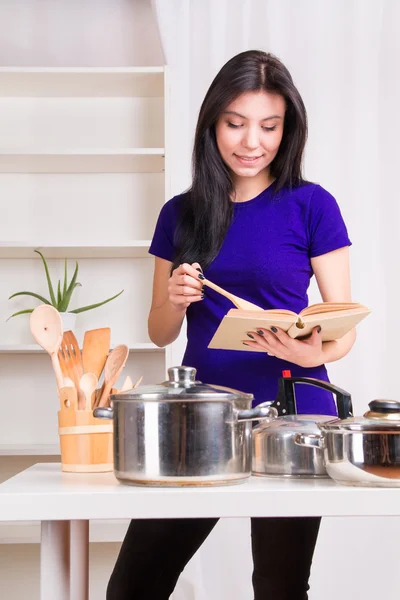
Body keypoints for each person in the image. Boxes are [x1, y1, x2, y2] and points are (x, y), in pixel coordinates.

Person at [107, 50, 355, 600]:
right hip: (205, 420)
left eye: (268, 126)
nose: (251, 142)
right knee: (134, 585)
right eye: (235, 124)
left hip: (291, 420)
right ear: (212, 124)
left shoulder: (312, 205)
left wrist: (316, 354)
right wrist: (174, 299)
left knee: (279, 587)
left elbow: (343, 323)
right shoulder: (181, 213)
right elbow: (160, 332)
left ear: (286, 130)